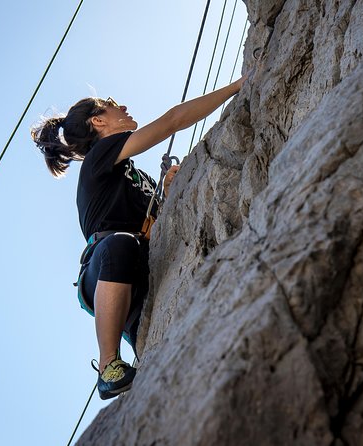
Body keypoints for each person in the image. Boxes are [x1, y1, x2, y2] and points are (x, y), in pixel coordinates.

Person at [31, 74, 247, 400]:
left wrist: (172, 193)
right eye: (114, 105)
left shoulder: (133, 175)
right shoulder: (99, 157)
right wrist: (237, 86)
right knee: (120, 243)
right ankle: (108, 366)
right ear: (99, 121)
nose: (125, 106)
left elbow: (158, 228)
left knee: (156, 347)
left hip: (135, 275)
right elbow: (173, 120)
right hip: (107, 265)